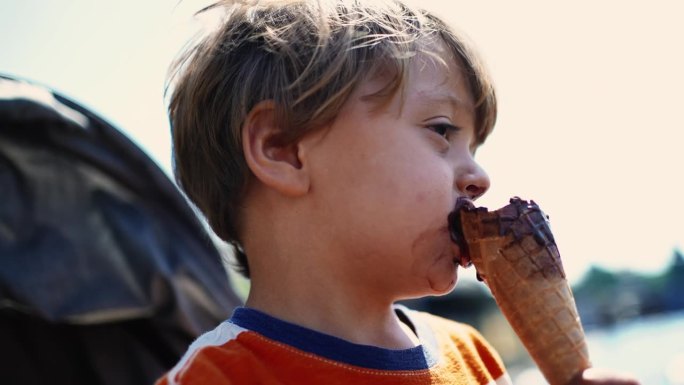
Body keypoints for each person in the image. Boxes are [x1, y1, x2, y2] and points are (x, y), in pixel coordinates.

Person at [156, 0, 640, 384]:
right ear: (283, 149)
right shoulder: (215, 379)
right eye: (442, 129)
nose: (478, 176)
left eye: (473, 146)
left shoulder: (474, 359)